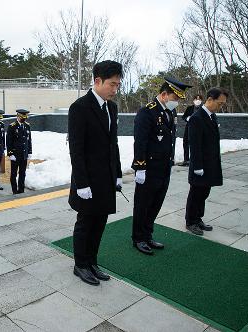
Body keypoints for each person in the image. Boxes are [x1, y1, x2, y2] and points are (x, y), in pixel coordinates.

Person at [68, 60, 123, 286]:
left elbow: (113, 144)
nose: (115, 89)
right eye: (112, 84)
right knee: (85, 222)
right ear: (97, 81)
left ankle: (92, 261)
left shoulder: (112, 107)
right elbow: (76, 149)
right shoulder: (80, 107)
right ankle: (80, 264)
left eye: (118, 85)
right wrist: (81, 184)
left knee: (100, 221)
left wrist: (117, 173)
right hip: (88, 180)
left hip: (106, 177)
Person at [132, 77, 192, 255]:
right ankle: (138, 238)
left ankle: (148, 235)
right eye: (175, 97)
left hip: (164, 167)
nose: (177, 102)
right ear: (164, 94)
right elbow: (140, 142)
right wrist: (140, 167)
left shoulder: (170, 113)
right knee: (143, 204)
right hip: (149, 168)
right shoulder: (147, 112)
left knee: (156, 203)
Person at [185, 88, 227, 235]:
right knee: (196, 193)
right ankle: (190, 221)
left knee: (204, 193)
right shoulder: (197, 118)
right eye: (219, 103)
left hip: (210, 164)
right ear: (209, 99)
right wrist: (197, 166)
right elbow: (194, 144)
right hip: (200, 165)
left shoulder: (211, 116)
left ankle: (198, 218)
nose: (220, 107)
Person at [6, 109, 32, 194]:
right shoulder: (12, 126)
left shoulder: (27, 125)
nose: (24, 119)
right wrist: (10, 153)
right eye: (22, 117)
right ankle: (14, 190)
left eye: (25, 117)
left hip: (24, 154)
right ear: (18, 116)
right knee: (14, 174)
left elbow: (29, 140)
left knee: (22, 173)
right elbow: (9, 141)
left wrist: (29, 152)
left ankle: (21, 190)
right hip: (15, 154)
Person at [177, 94, 203, 166]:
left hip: (198, 129)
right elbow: (184, 116)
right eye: (196, 99)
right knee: (186, 143)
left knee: (196, 144)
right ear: (193, 100)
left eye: (199, 99)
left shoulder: (203, 109)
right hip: (188, 128)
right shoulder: (190, 108)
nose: (197, 101)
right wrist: (187, 118)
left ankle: (195, 160)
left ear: (201, 100)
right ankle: (186, 160)